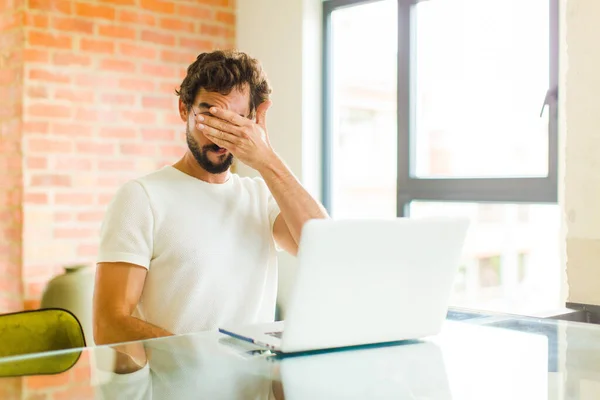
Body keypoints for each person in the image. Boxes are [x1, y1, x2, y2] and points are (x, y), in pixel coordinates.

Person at [93, 50, 328, 346]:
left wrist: (267, 159)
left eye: (236, 122)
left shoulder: (261, 197)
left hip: (253, 390)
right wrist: (203, 362)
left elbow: (323, 249)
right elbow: (110, 324)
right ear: (183, 109)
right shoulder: (141, 198)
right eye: (210, 117)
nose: (220, 137)